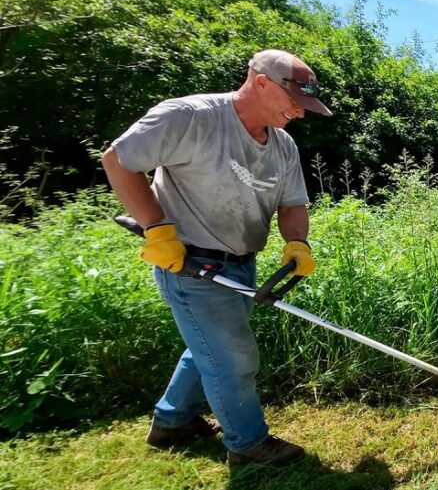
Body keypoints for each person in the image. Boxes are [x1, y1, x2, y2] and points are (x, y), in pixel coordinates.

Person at [101, 50, 332, 466]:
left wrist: (297, 244)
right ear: (261, 82)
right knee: (234, 357)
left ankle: (172, 421)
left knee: (208, 347)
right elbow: (118, 161)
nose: (300, 113)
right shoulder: (191, 117)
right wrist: (157, 229)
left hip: (241, 263)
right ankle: (248, 444)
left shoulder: (282, 145)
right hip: (190, 263)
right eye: (294, 101)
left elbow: (292, 204)